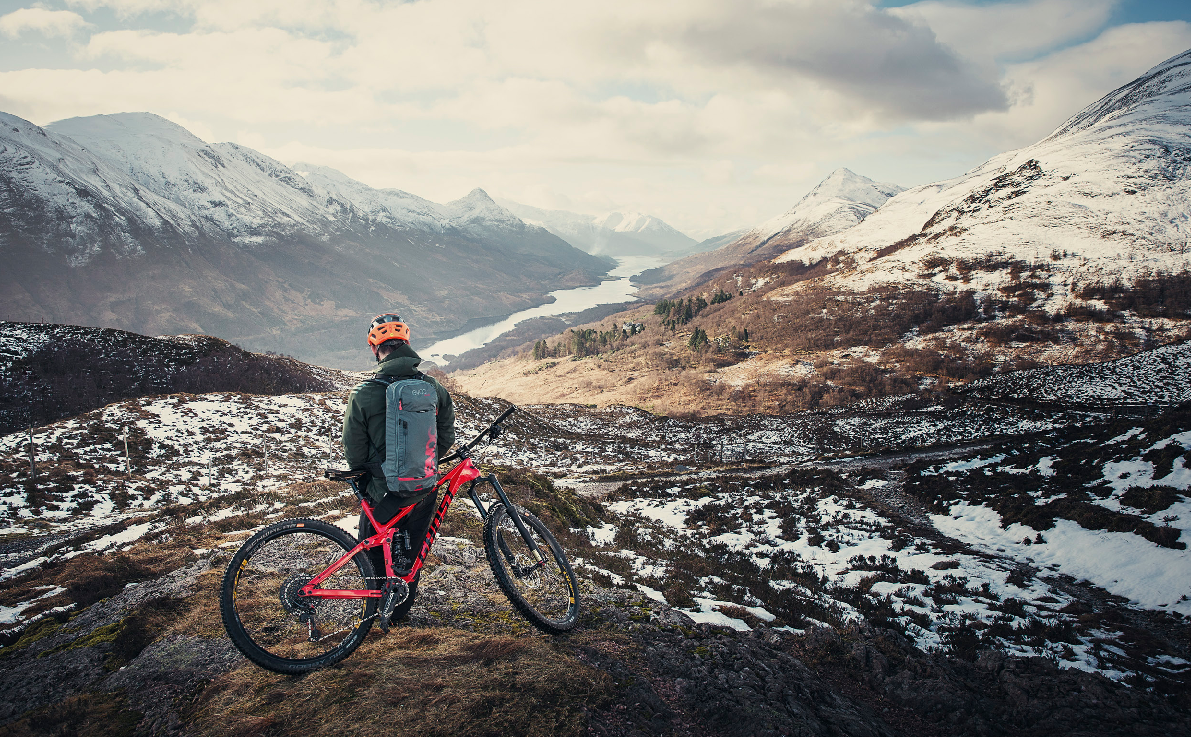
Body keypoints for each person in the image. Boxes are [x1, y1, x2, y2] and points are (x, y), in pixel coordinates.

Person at [342, 313, 455, 622]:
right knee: (411, 553)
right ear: (406, 343)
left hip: (382, 493)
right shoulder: (432, 387)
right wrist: (421, 464)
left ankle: (376, 610)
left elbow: (353, 450)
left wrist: (372, 476)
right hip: (423, 490)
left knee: (375, 552)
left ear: (374, 348)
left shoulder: (363, 393)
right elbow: (445, 435)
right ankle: (400, 611)